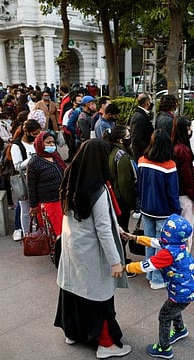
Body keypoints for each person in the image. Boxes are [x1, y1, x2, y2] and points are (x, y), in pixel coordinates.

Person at [54, 139, 131, 359]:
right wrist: (116, 261)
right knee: (99, 297)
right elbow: (103, 229)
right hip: (91, 251)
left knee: (72, 290)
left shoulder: (70, 178)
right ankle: (106, 344)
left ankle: (72, 333)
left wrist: (119, 229)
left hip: (72, 247)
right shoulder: (98, 188)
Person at [122, 214, 194, 359]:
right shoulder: (177, 244)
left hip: (182, 291)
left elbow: (145, 266)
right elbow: (154, 242)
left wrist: (125, 268)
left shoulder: (168, 254)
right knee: (174, 308)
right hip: (187, 288)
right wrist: (135, 238)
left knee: (165, 315)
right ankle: (180, 329)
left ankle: (164, 348)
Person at [138, 129, 182, 289]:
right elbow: (172, 193)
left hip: (145, 208)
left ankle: (149, 272)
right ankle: (157, 278)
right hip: (163, 211)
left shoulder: (142, 160)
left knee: (149, 242)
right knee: (161, 245)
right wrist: (177, 211)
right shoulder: (170, 166)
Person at [104, 125, 137, 278]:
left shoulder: (111, 151)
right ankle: (121, 261)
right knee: (122, 230)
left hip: (113, 197)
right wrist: (131, 202)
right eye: (128, 134)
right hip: (121, 199)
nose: (130, 137)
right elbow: (125, 182)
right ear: (120, 139)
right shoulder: (122, 155)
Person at [27, 131, 67, 243]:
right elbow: (31, 186)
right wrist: (33, 206)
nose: (51, 145)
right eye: (48, 142)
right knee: (56, 233)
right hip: (48, 203)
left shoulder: (56, 157)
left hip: (62, 200)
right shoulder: (34, 163)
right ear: (40, 143)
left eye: (53, 142)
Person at [172, 116, 194, 248]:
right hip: (185, 196)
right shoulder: (183, 150)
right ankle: (185, 262)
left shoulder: (173, 147)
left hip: (175, 194)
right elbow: (187, 177)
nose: (191, 130)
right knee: (186, 231)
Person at [10, 119, 42, 240]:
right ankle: (26, 234)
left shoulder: (36, 142)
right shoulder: (17, 146)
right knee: (25, 209)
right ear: (26, 132)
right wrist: (32, 159)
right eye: (34, 134)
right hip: (25, 180)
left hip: (39, 178)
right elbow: (17, 166)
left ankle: (38, 231)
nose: (36, 136)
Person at [130, 92, 154, 162]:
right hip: (141, 155)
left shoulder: (141, 115)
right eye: (151, 101)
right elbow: (137, 139)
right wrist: (148, 150)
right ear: (147, 103)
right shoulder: (139, 117)